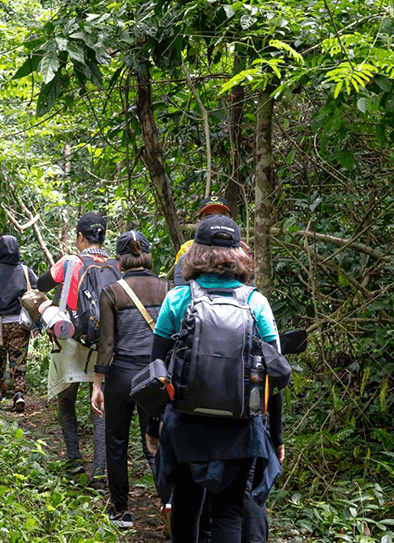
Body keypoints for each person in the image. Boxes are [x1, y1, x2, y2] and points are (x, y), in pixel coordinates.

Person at [151, 215, 283, 542]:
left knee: (186, 506)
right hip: (241, 429)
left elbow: (155, 369)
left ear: (195, 252)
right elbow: (275, 374)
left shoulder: (178, 299)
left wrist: (154, 426)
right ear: (239, 253)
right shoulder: (256, 302)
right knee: (229, 512)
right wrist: (276, 436)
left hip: (185, 424)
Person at [91, 230, 171, 529]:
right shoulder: (169, 289)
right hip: (157, 377)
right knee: (158, 442)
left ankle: (121, 510)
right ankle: (169, 503)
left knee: (116, 442)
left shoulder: (112, 292)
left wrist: (97, 383)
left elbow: (107, 343)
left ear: (119, 259)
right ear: (147, 256)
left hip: (122, 376)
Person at [36, 212, 109, 488]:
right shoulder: (114, 265)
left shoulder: (70, 262)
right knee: (100, 407)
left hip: (70, 339)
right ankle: (100, 472)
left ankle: (75, 459)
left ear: (80, 238)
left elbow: (42, 284)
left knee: (66, 400)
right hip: (103, 344)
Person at [0, 235, 37, 411]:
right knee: (19, 359)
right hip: (20, 323)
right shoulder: (25, 270)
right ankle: (18, 393)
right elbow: (36, 293)